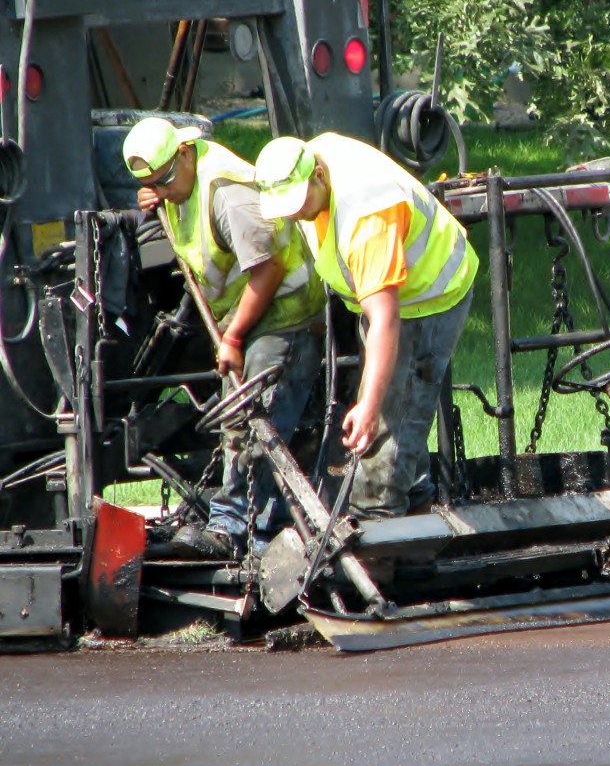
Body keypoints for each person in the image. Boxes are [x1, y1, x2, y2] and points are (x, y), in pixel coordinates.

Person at [121, 117, 326, 559]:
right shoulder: (181, 182)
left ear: (186, 151)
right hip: (252, 314)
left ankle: (242, 531)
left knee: (256, 423)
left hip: (284, 313)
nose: (164, 188)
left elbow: (268, 268)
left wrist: (231, 337)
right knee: (241, 421)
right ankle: (243, 525)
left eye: (166, 178)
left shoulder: (228, 194)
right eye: (153, 182)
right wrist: (157, 194)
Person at [253, 133, 477, 519]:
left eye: (299, 203)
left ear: (319, 176)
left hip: (427, 298)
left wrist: (370, 407)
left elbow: (385, 319)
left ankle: (380, 539)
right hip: (383, 299)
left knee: (384, 432)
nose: (294, 214)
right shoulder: (303, 166)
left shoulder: (367, 215)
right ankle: (418, 523)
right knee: (397, 415)